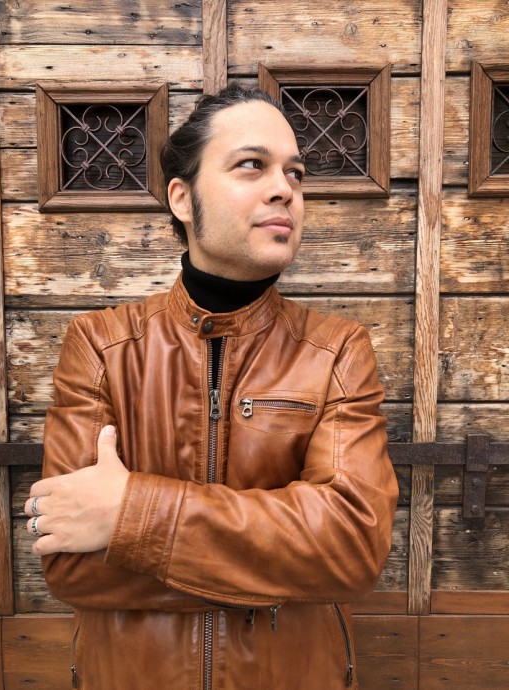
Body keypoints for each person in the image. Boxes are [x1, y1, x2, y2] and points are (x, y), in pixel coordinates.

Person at [25, 83, 398, 690]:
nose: (285, 189)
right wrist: (279, 562)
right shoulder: (101, 344)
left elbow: (352, 549)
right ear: (182, 197)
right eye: (252, 165)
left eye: (295, 173)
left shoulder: (337, 351)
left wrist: (128, 515)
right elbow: (71, 564)